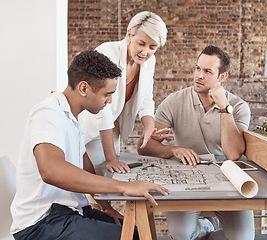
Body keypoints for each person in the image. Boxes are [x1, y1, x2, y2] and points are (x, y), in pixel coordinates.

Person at [10, 50, 170, 240]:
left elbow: (84, 165)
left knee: (137, 233)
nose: (110, 101)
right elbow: (51, 171)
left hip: (69, 211)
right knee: (133, 238)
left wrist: (105, 206)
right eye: (107, 94)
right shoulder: (48, 113)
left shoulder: (73, 116)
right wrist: (122, 187)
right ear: (84, 88)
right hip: (40, 223)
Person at [137, 46, 254, 240]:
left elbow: (233, 154)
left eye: (207, 71)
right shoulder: (174, 101)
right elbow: (144, 146)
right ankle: (205, 227)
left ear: (222, 76)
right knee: (182, 235)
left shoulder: (239, 107)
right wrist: (173, 149)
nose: (199, 76)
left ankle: (206, 231)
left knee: (243, 238)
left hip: (226, 181)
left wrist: (225, 109)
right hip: (187, 178)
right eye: (197, 68)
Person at [82, 11, 171, 174]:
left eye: (153, 47)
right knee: (91, 182)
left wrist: (149, 127)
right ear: (129, 34)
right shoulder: (106, 53)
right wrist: (111, 159)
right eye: (141, 43)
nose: (145, 52)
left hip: (112, 128)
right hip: (90, 125)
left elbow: (146, 99)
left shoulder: (149, 61)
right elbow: (103, 109)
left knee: (107, 182)